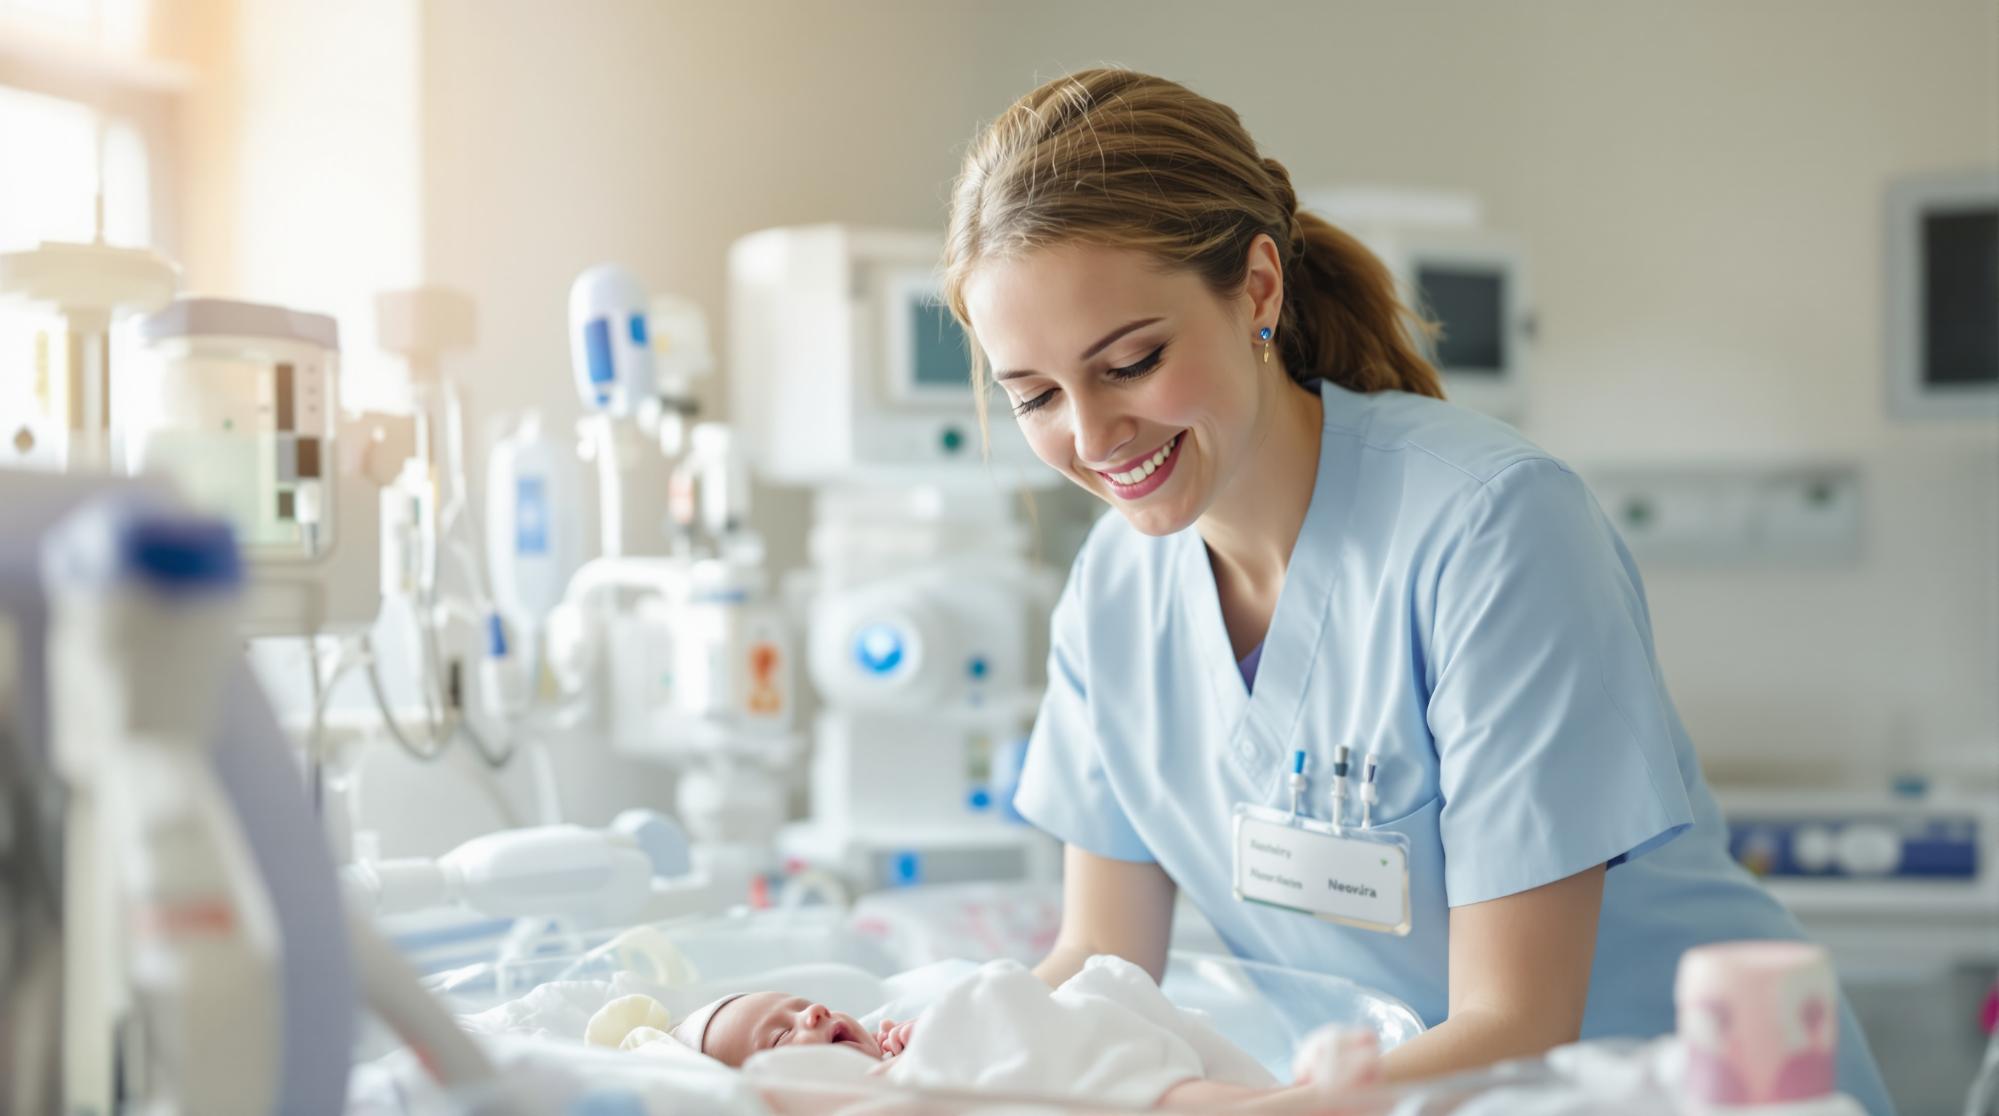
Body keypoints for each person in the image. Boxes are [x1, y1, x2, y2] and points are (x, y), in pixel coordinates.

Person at [937, 66, 1892, 1115]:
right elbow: (1103, 965)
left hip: (1673, 1091)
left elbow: (1518, 1022)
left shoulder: (1490, 528)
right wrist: (930, 1066)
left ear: (1257, 287)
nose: (1089, 436)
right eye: (1032, 395)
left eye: (1130, 361)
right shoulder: (1113, 591)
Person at [655, 955, 1383, 1113]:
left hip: (1085, 1059)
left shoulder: (901, 1044)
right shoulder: (806, 1100)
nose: (809, 1017)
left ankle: (1272, 1096)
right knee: (994, 1012)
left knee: (1098, 986)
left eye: (802, 1004)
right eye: (781, 1037)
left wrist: (918, 1041)